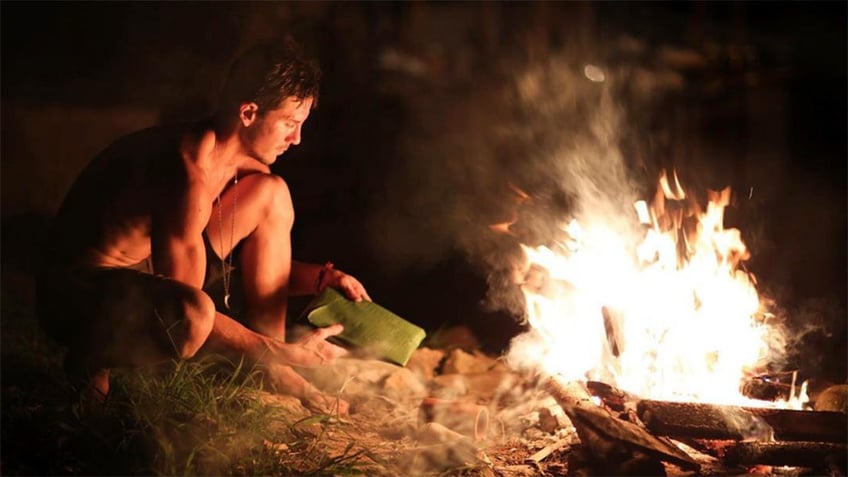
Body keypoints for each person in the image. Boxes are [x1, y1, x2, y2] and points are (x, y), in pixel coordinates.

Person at [36, 38, 370, 415]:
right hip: (76, 293)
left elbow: (236, 274)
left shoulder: (244, 170)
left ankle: (276, 373)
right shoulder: (186, 172)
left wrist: (322, 279)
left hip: (143, 276)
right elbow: (191, 308)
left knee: (273, 194)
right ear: (248, 113)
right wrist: (275, 350)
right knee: (191, 316)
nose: (297, 139)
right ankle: (91, 360)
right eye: (290, 124)